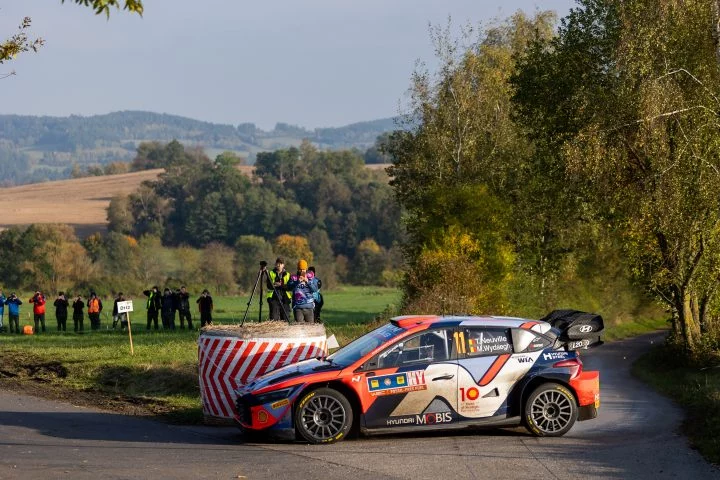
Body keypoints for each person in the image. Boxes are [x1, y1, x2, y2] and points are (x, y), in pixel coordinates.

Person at [287, 259, 319, 323]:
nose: (302, 271)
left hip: (309, 307)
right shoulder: (293, 277)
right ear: (297, 269)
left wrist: (308, 282)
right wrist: (297, 282)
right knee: (299, 328)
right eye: (300, 269)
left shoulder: (311, 277)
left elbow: (315, 289)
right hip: (298, 308)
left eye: (303, 269)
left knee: (310, 328)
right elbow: (289, 287)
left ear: (306, 269)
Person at [266, 257, 291, 321]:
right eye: (278, 263)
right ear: (275, 264)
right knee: (274, 319)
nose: (279, 265)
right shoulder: (271, 273)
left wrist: (281, 285)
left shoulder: (288, 274)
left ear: (283, 265)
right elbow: (268, 285)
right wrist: (274, 284)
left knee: (285, 319)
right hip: (273, 298)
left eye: (281, 263)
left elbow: (290, 287)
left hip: (285, 298)